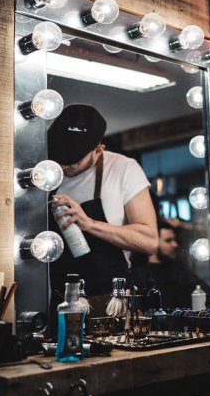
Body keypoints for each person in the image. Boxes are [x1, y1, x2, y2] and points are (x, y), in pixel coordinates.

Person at [47, 104, 158, 324]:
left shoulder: (123, 169)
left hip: (108, 303)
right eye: (59, 156)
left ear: (99, 149)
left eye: (74, 160)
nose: (64, 166)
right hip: (57, 299)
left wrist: (89, 223)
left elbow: (149, 241)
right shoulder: (46, 172)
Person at [131, 219, 205, 310]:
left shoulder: (180, 270)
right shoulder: (139, 275)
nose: (175, 245)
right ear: (154, 243)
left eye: (175, 240)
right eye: (168, 240)